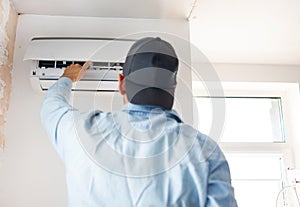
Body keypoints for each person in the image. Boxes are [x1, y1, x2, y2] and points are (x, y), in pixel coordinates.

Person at [41, 37, 237, 207]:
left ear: (121, 82)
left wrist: (67, 78)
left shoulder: (81, 131)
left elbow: (52, 106)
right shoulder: (206, 152)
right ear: (174, 87)